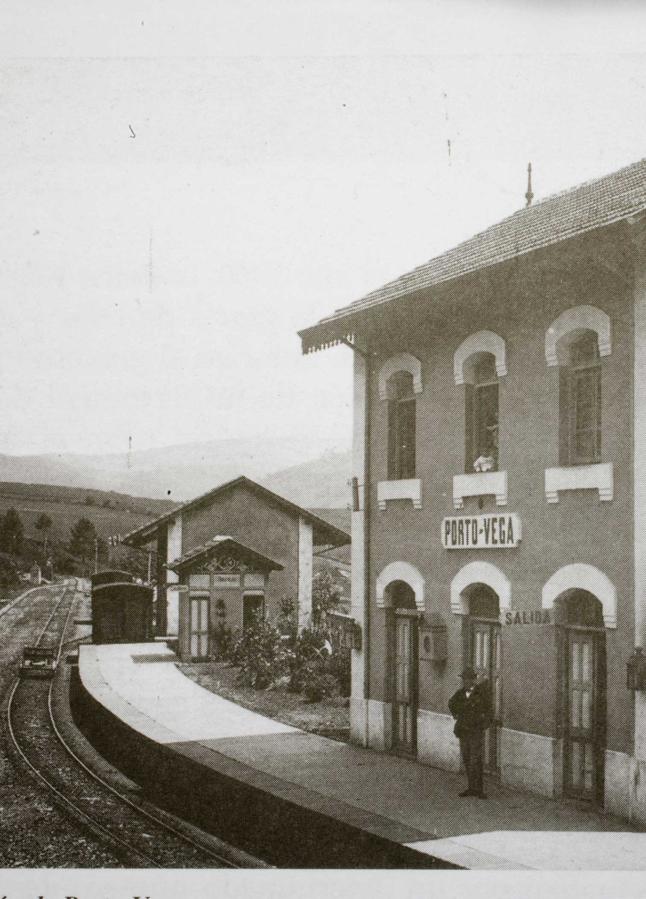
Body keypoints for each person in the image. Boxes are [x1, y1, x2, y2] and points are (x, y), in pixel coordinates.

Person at [448, 667, 493, 799]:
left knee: (476, 760)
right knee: (467, 759)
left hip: (476, 731)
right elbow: (451, 703)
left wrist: (485, 724)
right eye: (464, 679)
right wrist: (455, 714)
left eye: (468, 679)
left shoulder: (481, 693)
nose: (466, 682)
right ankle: (471, 787)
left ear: (473, 680)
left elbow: (489, 710)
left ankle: (479, 789)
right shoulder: (460, 693)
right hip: (463, 731)